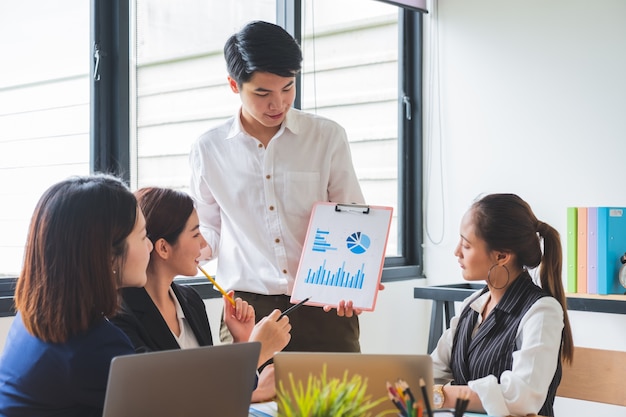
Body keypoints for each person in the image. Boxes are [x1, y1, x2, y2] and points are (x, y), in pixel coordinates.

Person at [189, 20, 367, 352]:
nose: (278, 104)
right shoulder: (209, 148)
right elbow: (209, 229)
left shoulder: (326, 136)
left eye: (288, 88)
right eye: (262, 93)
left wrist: (359, 279)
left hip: (324, 302)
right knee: (247, 401)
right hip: (246, 309)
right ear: (234, 85)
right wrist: (178, 250)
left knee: (343, 403)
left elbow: (352, 220)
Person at [110, 187, 291, 402]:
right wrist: (256, 353)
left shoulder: (190, 300)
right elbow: (171, 397)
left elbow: (211, 391)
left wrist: (241, 342)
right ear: (163, 248)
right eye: (196, 234)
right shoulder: (118, 315)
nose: (204, 244)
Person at [0, 174, 153, 417]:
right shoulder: (96, 346)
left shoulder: (32, 319)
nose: (150, 246)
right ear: (108, 256)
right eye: (144, 236)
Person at [430, 193, 574, 417]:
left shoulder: (542, 311)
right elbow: (432, 371)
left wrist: (442, 396)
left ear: (501, 256)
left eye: (466, 245)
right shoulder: (472, 305)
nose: (456, 251)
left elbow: (520, 398)